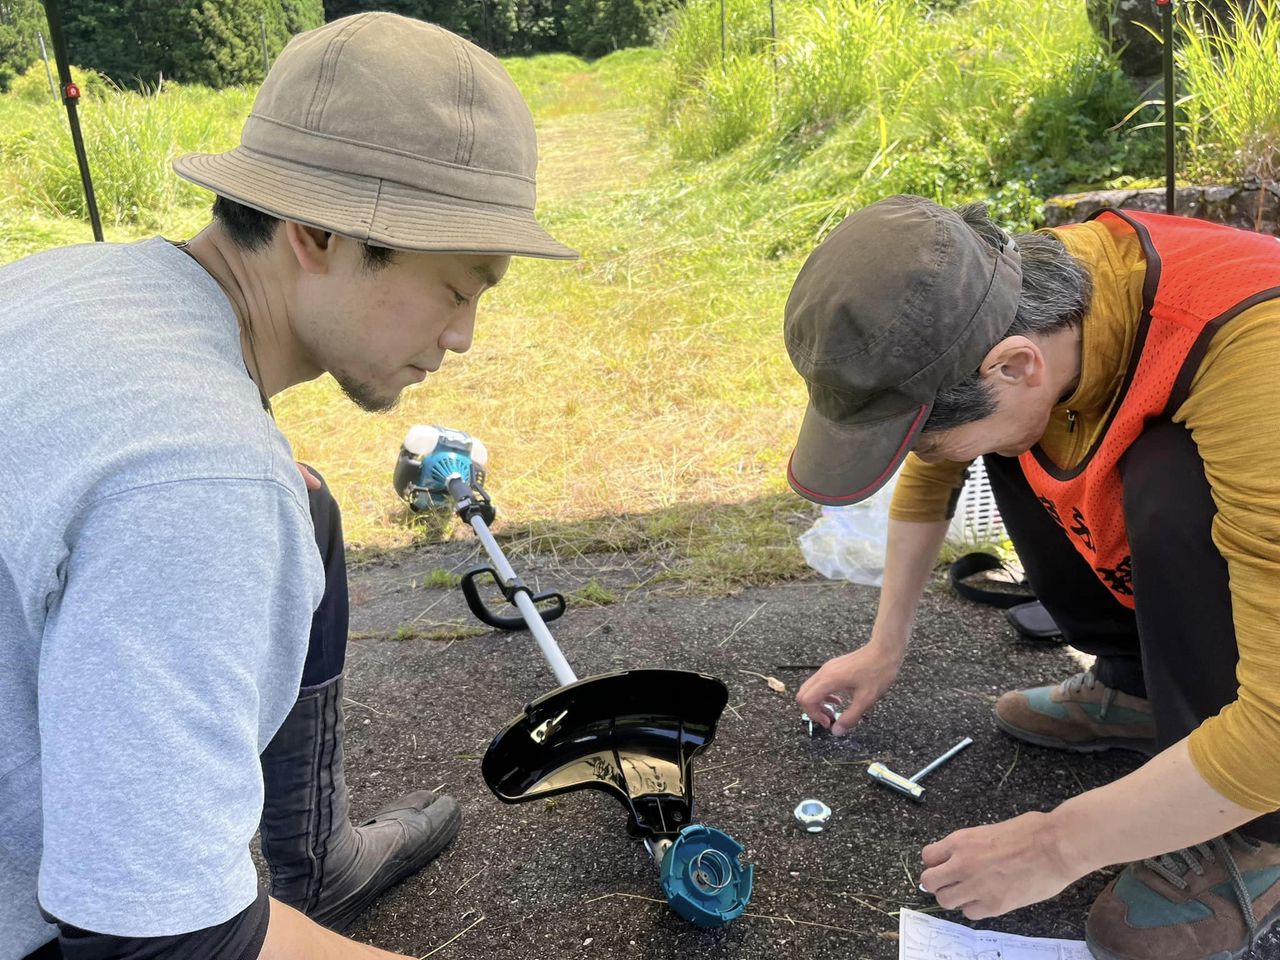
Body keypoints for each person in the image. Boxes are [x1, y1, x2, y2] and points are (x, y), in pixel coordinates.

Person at [0, 13, 575, 960]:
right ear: (316, 231)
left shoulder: (88, 282)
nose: (465, 333)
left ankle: (319, 857)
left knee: (305, 506)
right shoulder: (203, 478)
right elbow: (164, 947)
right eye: (458, 287)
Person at [786, 194, 1280, 960]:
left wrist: (1057, 846)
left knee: (1167, 481)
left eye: (926, 438)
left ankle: (1253, 836)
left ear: (1015, 363)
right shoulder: (1011, 301)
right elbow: (937, 464)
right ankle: (1147, 688)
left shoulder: (1253, 361)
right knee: (1015, 429)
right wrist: (885, 646)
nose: (931, 458)